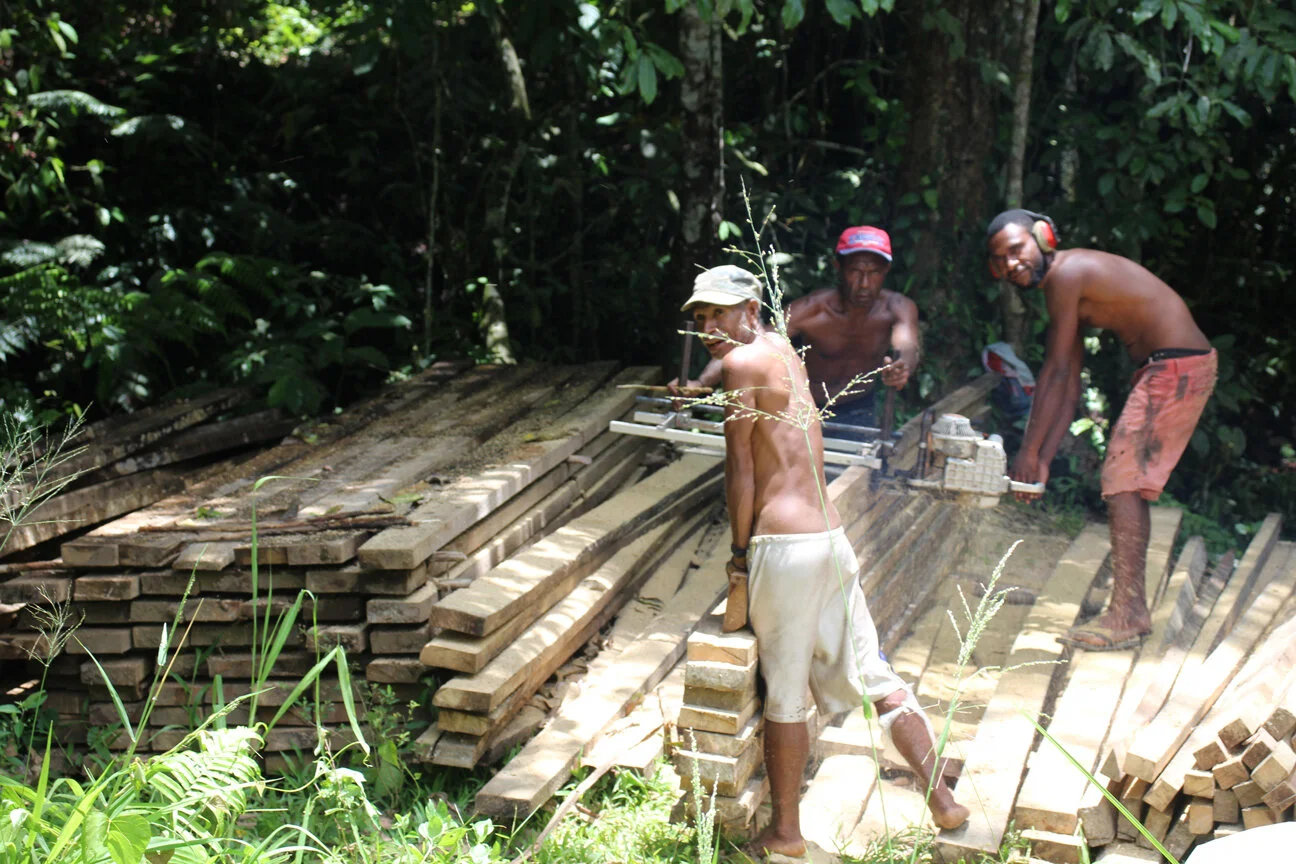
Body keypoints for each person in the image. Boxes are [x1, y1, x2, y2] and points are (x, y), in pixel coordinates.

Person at [681, 265, 968, 859]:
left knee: (785, 692)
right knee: (875, 675)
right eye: (700, 317)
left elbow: (741, 472)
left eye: (719, 313)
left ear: (751, 309)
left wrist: (739, 557)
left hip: (784, 549)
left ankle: (786, 835)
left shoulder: (738, 367)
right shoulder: (784, 350)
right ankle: (943, 799)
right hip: (830, 540)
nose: (708, 326)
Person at [987, 209, 1217, 651]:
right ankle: (1128, 607)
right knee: (1122, 476)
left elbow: (1053, 372)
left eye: (1017, 249)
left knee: (1122, 478)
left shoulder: (1067, 273)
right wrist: (1041, 458)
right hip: (1170, 364)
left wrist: (1027, 451)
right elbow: (1068, 384)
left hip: (1177, 366)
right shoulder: (1065, 286)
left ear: (1042, 237)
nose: (1013, 264)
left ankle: (1128, 612)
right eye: (1002, 260)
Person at [671, 227, 920, 431]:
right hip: (802, 409)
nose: (864, 283)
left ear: (885, 271)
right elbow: (755, 344)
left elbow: (907, 347)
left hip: (858, 409)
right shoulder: (811, 310)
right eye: (855, 271)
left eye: (874, 272)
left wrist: (901, 368)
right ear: (838, 267)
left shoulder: (898, 309)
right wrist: (700, 382)